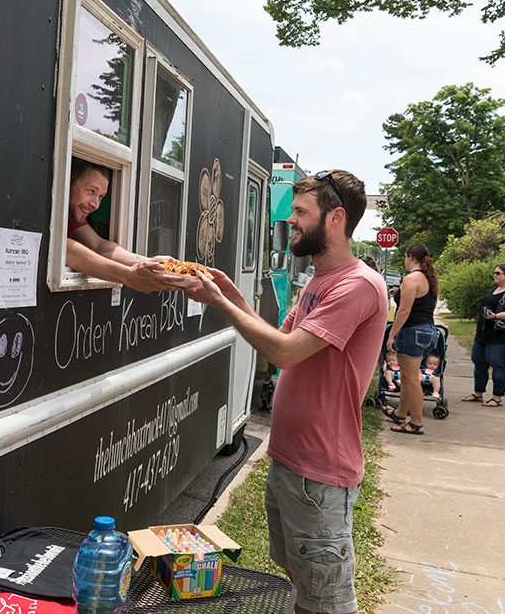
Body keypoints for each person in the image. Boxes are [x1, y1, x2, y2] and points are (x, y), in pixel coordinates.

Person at [185, 169, 386, 614]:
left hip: (320, 470)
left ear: (335, 218)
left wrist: (219, 304)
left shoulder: (356, 286)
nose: (290, 220)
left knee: (329, 600)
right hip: (291, 461)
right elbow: (277, 343)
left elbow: (288, 352)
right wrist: (231, 292)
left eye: (300, 212)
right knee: (305, 585)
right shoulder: (319, 279)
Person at [65, 160, 187, 293]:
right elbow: (64, 249)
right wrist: (129, 276)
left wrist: (153, 263)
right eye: (91, 191)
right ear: (68, 182)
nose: (96, 205)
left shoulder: (73, 214)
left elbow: (99, 246)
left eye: (101, 196)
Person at [383, 243, 439, 436]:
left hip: (413, 332)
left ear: (409, 256)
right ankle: (400, 413)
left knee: (410, 380)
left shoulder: (411, 278)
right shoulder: (427, 279)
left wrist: (392, 335)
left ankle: (416, 422)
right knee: (408, 379)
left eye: (405, 257)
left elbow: (404, 310)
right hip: (429, 332)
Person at [463, 263, 505, 407]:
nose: (495, 275)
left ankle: (496, 397)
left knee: (498, 364)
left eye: (498, 273)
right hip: (484, 336)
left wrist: (497, 316)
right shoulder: (496, 290)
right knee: (479, 363)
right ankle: (478, 393)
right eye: (494, 273)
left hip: (503, 338)